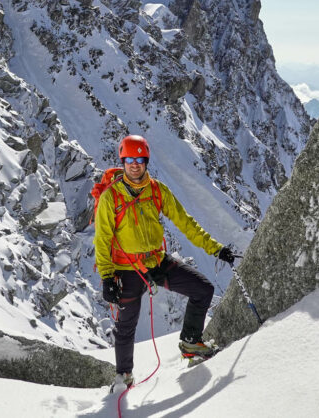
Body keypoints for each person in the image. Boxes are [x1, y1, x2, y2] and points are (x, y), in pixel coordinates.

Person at [94, 134, 236, 389]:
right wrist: (107, 277)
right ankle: (123, 376)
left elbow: (185, 223)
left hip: (156, 261)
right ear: (122, 161)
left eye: (139, 159)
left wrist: (216, 249)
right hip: (127, 269)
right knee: (126, 325)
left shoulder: (158, 190)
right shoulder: (111, 198)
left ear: (146, 161)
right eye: (129, 159)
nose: (134, 164)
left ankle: (191, 342)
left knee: (202, 289)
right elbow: (102, 240)